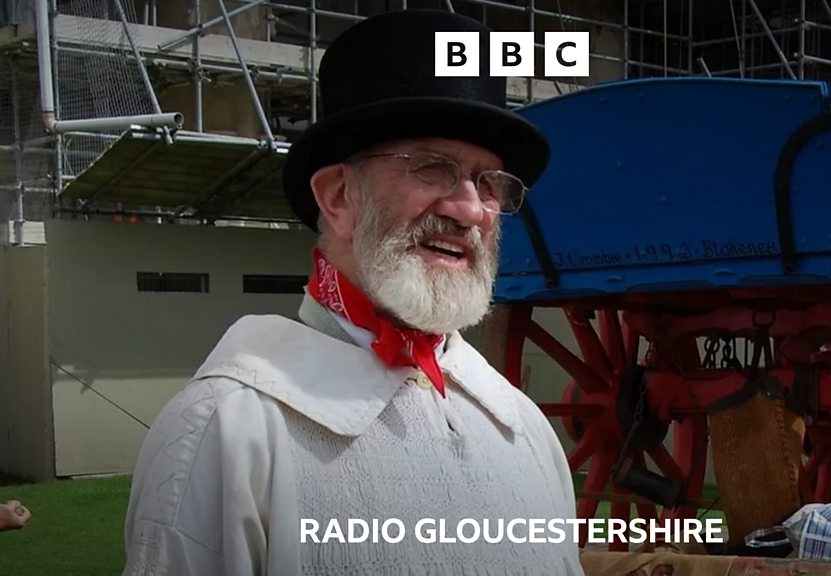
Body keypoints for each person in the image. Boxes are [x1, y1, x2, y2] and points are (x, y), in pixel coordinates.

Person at [121, 9, 583, 576]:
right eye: (432, 167)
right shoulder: (227, 430)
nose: (469, 210)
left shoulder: (524, 427)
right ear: (339, 196)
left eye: (488, 183)